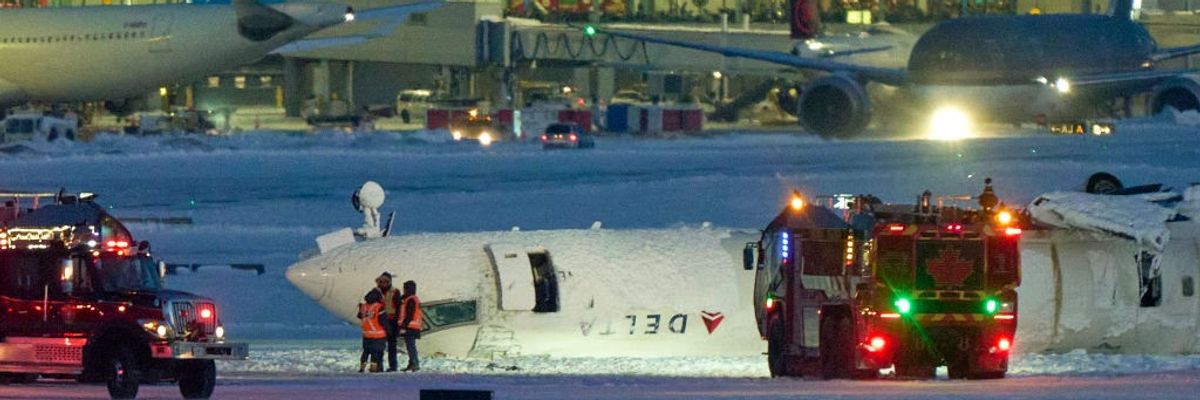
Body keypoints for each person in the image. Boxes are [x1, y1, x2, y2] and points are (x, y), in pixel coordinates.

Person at [370, 272, 403, 372]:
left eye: (385, 281)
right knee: (379, 345)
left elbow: (399, 308)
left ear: (389, 281)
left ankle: (393, 366)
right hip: (380, 321)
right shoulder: (376, 291)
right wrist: (376, 289)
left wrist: (398, 324)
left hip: (392, 321)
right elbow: (368, 298)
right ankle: (379, 366)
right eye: (381, 281)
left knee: (392, 346)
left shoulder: (395, 292)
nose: (383, 283)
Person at [357, 290, 388, 373]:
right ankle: (374, 368)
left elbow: (360, 316)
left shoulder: (364, 307)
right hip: (378, 334)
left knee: (366, 351)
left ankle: (362, 366)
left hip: (366, 334)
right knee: (376, 352)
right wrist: (388, 330)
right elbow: (383, 321)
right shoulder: (379, 307)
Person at [397, 280, 424, 372]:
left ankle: (414, 364)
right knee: (410, 346)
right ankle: (412, 363)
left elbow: (409, 315)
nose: (403, 290)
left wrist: (403, 326)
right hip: (412, 326)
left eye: (405, 288)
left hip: (410, 327)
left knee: (411, 346)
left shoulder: (411, 299)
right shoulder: (410, 299)